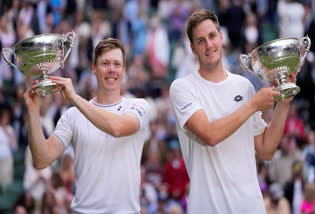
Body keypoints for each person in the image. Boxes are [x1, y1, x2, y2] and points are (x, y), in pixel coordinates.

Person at [169, 9, 297, 213]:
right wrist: (253, 104)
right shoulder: (182, 88)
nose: (209, 45)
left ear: (221, 37)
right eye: (201, 41)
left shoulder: (243, 86)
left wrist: (283, 103)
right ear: (193, 48)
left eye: (212, 36)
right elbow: (210, 135)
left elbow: (266, 149)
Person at [24, 38, 150, 213]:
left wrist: (74, 98)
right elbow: (41, 159)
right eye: (105, 63)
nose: (111, 69)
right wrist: (33, 111)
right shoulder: (72, 116)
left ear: (124, 70)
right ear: (93, 68)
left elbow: (117, 128)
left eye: (117, 64)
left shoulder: (138, 106)